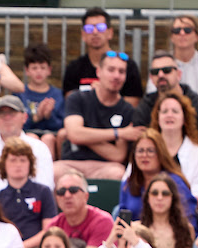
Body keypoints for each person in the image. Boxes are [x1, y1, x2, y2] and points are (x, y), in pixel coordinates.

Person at [57, 50, 140, 181]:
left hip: (105, 167)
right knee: (53, 171)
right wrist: (119, 133)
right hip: (72, 163)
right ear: (98, 72)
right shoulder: (77, 98)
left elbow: (118, 155)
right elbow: (74, 134)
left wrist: (83, 136)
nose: (116, 76)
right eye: (111, 70)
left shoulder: (128, 110)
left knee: (118, 173)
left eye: (121, 71)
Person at [0, 96, 55, 191]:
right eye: (2, 113)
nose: (7, 117)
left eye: (12, 113)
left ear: (24, 117)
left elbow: (46, 185)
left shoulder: (39, 147)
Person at [134, 52, 198, 151]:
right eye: (155, 72)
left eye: (167, 70)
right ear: (151, 78)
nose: (161, 75)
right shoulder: (145, 107)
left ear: (179, 74)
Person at [63, 7, 144, 101]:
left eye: (101, 28)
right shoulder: (74, 68)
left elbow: (132, 106)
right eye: (89, 29)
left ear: (110, 33)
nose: (95, 32)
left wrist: (106, 93)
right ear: (83, 35)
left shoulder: (127, 66)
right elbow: (70, 104)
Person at [119, 128, 197, 225]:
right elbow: (122, 222)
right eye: (140, 151)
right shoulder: (128, 184)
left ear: (161, 153)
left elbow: (190, 221)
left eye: (150, 151)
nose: (144, 155)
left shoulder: (176, 183)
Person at [148, 90, 198, 200]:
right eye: (164, 111)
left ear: (184, 118)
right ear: (157, 118)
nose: (169, 115)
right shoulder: (146, 147)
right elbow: (130, 180)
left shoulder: (197, 151)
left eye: (175, 111)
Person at [40, 168, 113, 248]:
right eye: (61, 192)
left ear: (86, 196)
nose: (67, 195)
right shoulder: (53, 226)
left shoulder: (102, 221)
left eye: (73, 190)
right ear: (56, 199)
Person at [140, 174, 195, 248]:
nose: (159, 198)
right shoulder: (137, 228)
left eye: (165, 194)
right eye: (154, 193)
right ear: (147, 198)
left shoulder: (186, 229)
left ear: (172, 198)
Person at [161, 15, 198, 108]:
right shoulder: (161, 65)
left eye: (187, 30)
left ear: (197, 36)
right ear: (171, 37)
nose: (182, 33)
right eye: (176, 31)